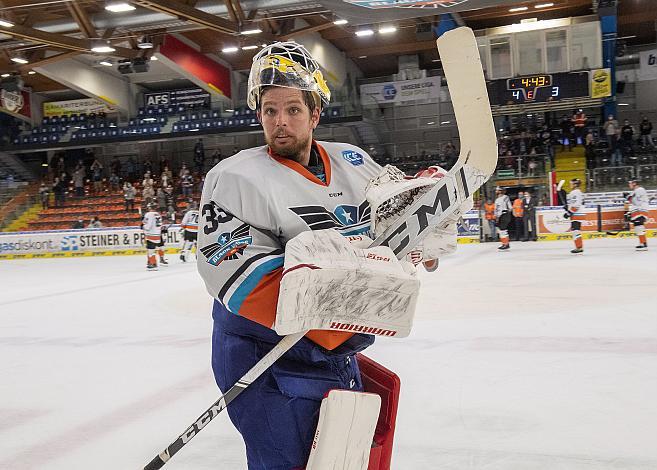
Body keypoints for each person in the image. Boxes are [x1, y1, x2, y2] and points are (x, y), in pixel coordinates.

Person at [197, 41, 466, 469]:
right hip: (266, 356)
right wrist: (346, 317)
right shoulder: (233, 178)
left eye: (293, 110)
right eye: (269, 110)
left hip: (335, 348)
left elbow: (391, 233)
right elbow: (235, 275)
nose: (280, 122)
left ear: (315, 114)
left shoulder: (354, 161)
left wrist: (421, 240)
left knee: (340, 459)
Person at [141, 204, 167, 270]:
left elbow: (148, 226)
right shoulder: (158, 214)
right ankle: (152, 262)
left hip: (151, 234)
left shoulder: (148, 214)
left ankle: (153, 264)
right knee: (155, 249)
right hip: (157, 234)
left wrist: (143, 226)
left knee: (150, 250)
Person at [626, 179, 649, 250]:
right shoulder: (636, 191)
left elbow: (636, 202)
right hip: (638, 210)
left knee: (638, 227)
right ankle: (643, 243)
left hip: (640, 211)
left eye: (630, 183)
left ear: (634, 183)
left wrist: (628, 197)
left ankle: (643, 244)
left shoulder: (639, 190)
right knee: (638, 227)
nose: (629, 185)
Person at [565, 178, 585, 254]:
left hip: (577, 214)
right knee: (575, 231)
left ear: (575, 184)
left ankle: (579, 247)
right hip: (576, 214)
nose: (570, 185)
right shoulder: (575, 192)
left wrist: (569, 212)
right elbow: (573, 204)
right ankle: (578, 247)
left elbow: (576, 205)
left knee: (576, 231)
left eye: (571, 183)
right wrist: (567, 207)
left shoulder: (575, 192)